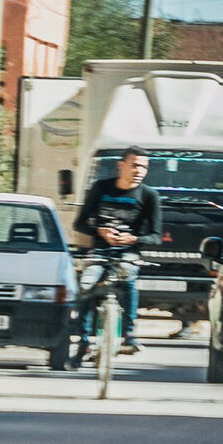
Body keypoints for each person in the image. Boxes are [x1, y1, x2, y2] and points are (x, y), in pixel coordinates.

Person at [70, 145, 162, 367]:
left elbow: (156, 236)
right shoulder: (101, 188)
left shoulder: (149, 195)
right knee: (86, 284)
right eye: (135, 165)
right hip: (100, 251)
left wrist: (133, 239)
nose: (139, 170)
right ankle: (83, 342)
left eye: (144, 167)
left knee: (129, 280)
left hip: (128, 253)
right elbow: (79, 223)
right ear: (121, 166)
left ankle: (129, 336)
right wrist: (100, 231)